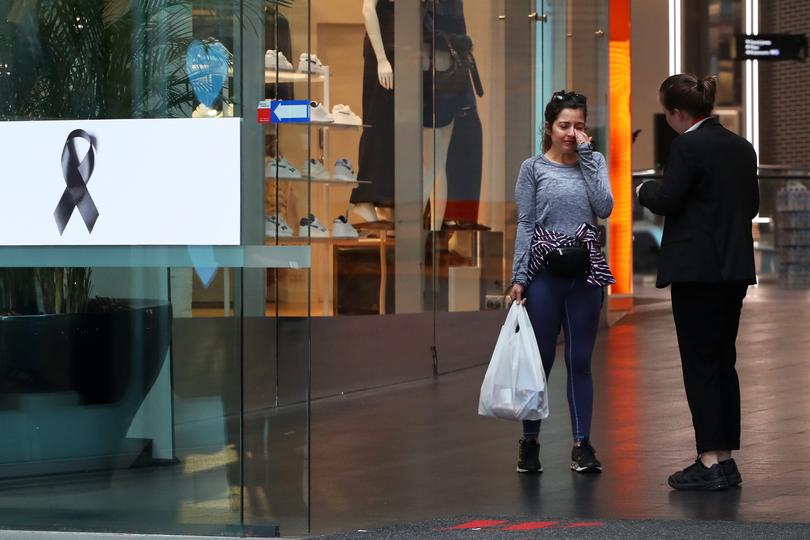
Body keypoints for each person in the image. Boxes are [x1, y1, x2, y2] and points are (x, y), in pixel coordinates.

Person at [637, 74, 759, 491]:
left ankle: (709, 460)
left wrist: (643, 190)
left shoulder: (686, 145)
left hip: (696, 272)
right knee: (724, 361)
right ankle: (725, 458)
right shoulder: (743, 147)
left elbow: (668, 198)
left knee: (699, 364)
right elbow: (752, 205)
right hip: (735, 270)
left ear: (676, 113)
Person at [509, 90, 614, 474]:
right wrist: (518, 276)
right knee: (540, 361)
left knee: (580, 360)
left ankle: (582, 444)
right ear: (550, 128)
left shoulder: (594, 161)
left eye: (579, 126)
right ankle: (530, 441)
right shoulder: (533, 168)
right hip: (544, 272)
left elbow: (604, 208)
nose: (572, 133)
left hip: (585, 270)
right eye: (564, 125)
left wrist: (587, 159)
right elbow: (525, 223)